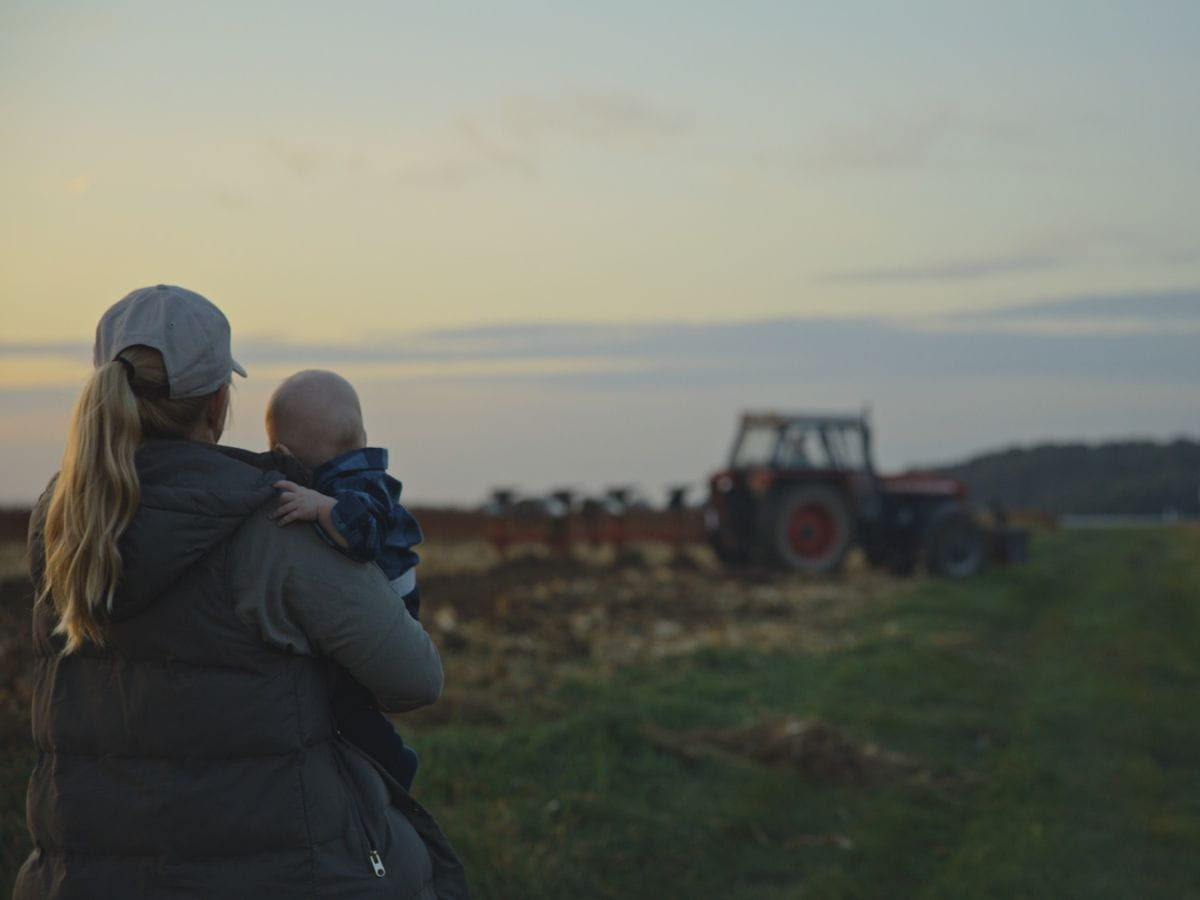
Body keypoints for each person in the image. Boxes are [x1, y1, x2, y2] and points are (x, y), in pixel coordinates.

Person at [15, 284, 469, 899]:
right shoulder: (268, 524)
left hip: (80, 878)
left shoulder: (61, 526)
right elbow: (415, 679)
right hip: (281, 874)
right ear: (217, 404)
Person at [264, 368, 424, 791]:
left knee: (349, 704)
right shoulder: (348, 476)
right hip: (389, 598)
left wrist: (320, 508)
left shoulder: (355, 485)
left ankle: (395, 765)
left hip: (395, 603)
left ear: (281, 453)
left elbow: (364, 535)